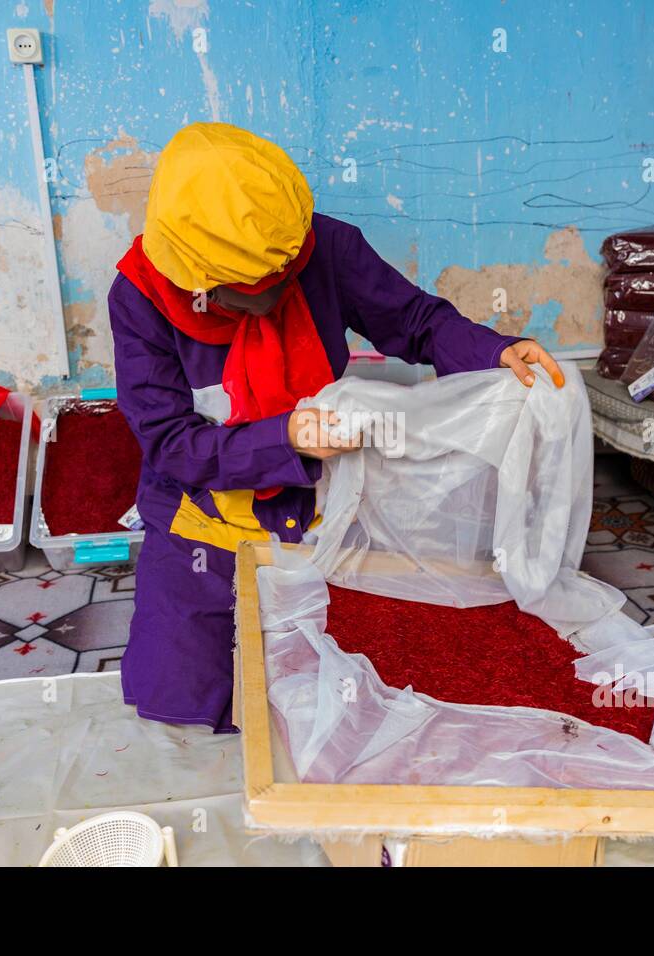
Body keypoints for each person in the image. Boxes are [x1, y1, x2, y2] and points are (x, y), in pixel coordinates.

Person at [110, 122, 563, 732]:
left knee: (364, 693)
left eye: (283, 279)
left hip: (323, 504)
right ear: (199, 281)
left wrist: (494, 351)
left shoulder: (324, 247)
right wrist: (285, 438)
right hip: (203, 514)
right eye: (249, 292)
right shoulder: (140, 298)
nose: (272, 298)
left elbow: (417, 321)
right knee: (186, 698)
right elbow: (169, 444)